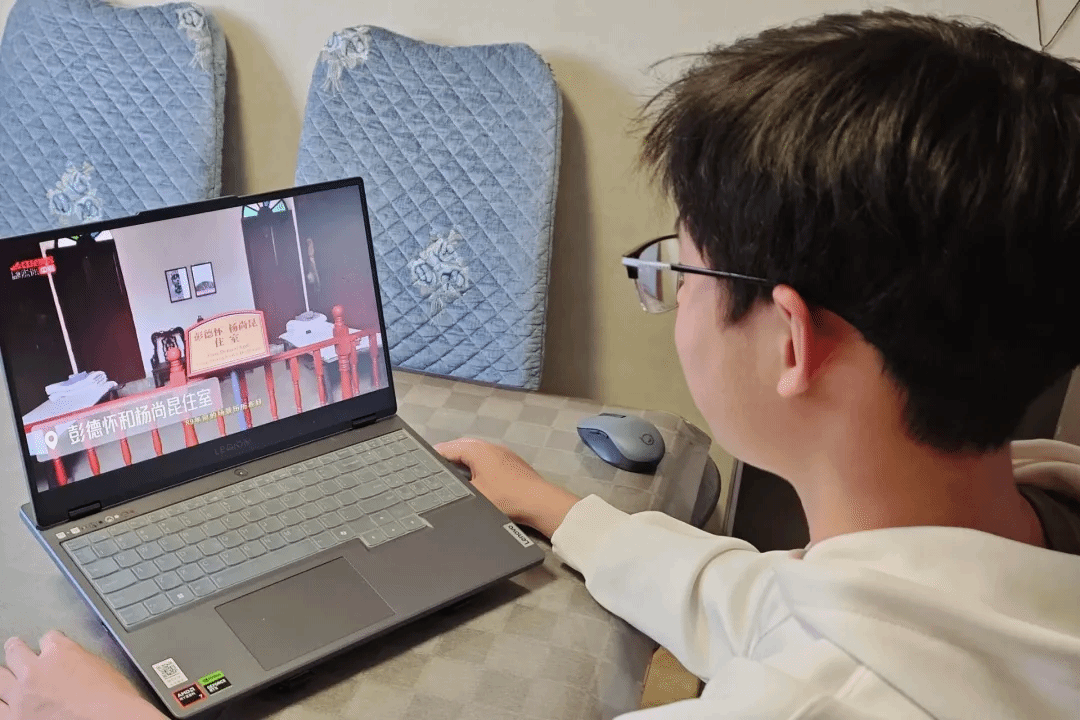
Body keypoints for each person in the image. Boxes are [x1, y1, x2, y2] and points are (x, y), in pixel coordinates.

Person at [5, 7, 1080, 719]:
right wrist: (567, 514)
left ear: (790, 342)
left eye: (678, 270)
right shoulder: (1029, 519)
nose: (669, 297)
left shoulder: (816, 699)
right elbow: (779, 601)